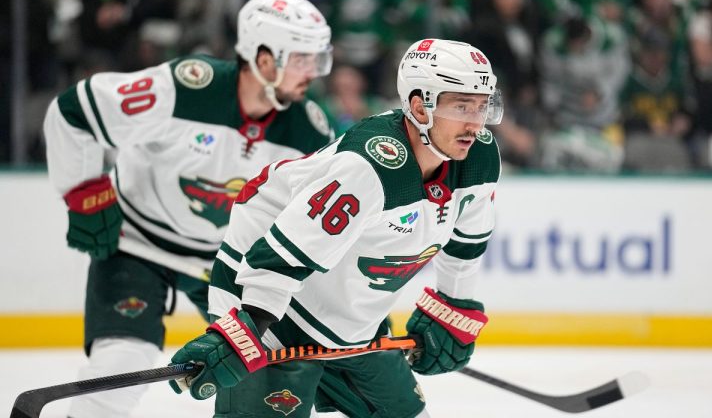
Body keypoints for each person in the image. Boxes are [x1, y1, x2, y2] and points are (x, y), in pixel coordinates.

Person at [168, 38, 503, 418]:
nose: (475, 122)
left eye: (482, 106)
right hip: (269, 300)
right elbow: (282, 256)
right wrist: (245, 329)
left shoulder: (479, 158)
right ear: (418, 106)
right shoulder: (370, 167)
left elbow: (466, 243)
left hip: (351, 322)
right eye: (461, 106)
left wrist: (453, 306)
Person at [43, 0, 335, 418]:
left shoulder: (310, 131)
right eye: (303, 59)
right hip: (137, 243)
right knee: (123, 358)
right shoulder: (185, 88)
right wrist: (86, 193)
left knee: (266, 367)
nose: (314, 72)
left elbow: (319, 220)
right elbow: (76, 110)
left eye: (318, 59)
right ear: (264, 58)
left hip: (226, 260)